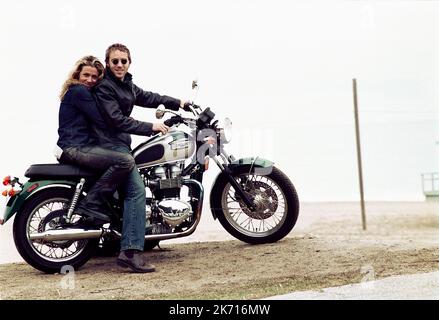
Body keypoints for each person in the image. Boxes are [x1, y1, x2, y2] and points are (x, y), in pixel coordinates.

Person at [94, 43, 187, 273]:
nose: (119, 65)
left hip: (119, 143)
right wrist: (152, 127)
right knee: (136, 192)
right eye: (114, 61)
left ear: (129, 63)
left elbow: (148, 96)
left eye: (123, 61)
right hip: (111, 145)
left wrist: (179, 102)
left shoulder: (126, 85)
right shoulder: (106, 87)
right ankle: (130, 252)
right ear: (107, 63)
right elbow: (117, 121)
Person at [56, 56, 138, 234]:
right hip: (75, 147)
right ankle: (91, 204)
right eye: (86, 75)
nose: (90, 80)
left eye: (94, 77)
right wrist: (123, 120)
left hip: (76, 146)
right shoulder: (79, 91)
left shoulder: (78, 92)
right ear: (77, 75)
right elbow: (102, 119)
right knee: (125, 161)